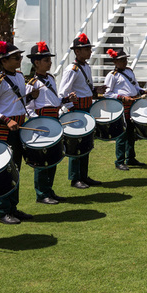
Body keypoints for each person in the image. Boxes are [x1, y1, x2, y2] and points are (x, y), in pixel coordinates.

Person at [0, 41, 37, 224]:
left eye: (20, 57)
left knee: (15, 169)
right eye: (16, 57)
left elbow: (17, 102)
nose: (20, 60)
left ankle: (13, 208)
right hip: (4, 130)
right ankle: (2, 212)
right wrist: (6, 120)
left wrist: (31, 96)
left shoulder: (20, 76)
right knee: (3, 171)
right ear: (4, 61)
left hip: (19, 128)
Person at [26, 41, 77, 205]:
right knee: (42, 159)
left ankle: (49, 190)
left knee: (53, 157)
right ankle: (41, 193)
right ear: (37, 63)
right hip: (41, 123)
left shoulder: (50, 78)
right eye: (46, 60)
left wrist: (66, 100)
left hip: (54, 120)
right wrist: (37, 123)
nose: (49, 62)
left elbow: (54, 101)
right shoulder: (32, 84)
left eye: (49, 59)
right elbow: (27, 107)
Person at [58, 33, 103, 189]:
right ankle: (75, 177)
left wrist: (96, 89)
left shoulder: (85, 67)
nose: (89, 52)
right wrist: (73, 110)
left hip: (87, 107)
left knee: (86, 143)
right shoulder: (72, 69)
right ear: (77, 51)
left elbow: (85, 88)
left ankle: (83, 175)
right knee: (75, 143)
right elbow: (63, 93)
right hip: (78, 109)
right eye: (86, 49)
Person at [104, 48, 147, 171]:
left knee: (131, 132)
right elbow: (107, 94)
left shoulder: (129, 71)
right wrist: (121, 97)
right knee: (121, 134)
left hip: (133, 104)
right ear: (115, 62)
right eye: (122, 60)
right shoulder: (111, 76)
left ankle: (130, 157)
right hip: (121, 106)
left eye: (125, 59)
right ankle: (119, 161)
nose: (125, 62)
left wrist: (143, 91)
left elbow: (135, 86)